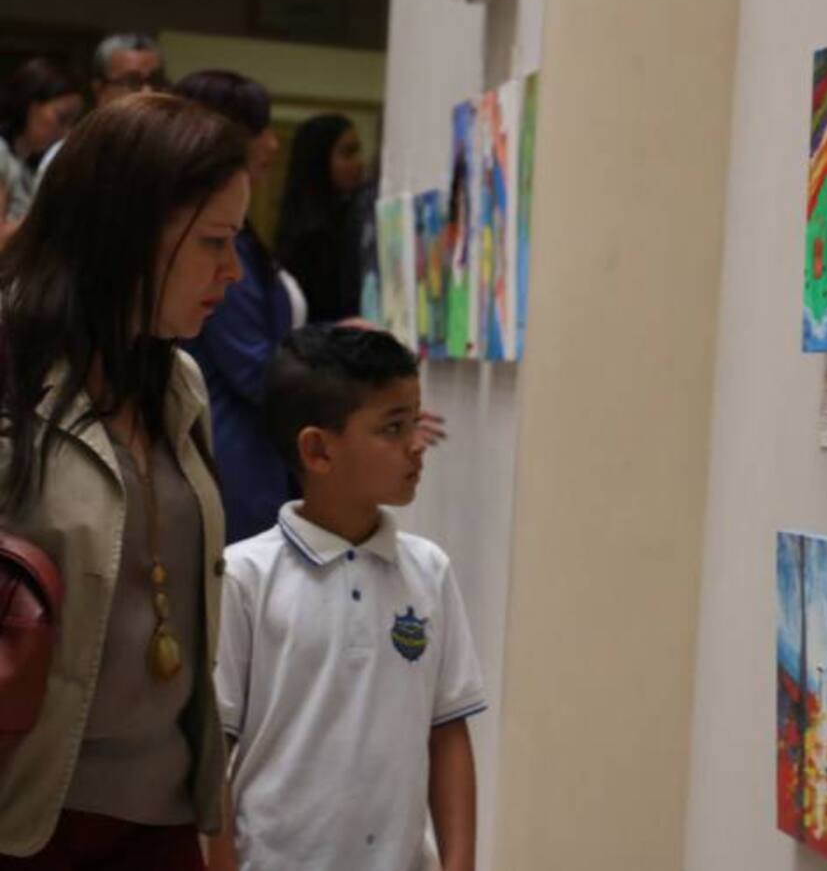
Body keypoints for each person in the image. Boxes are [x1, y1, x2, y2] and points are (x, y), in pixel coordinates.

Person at [0, 94, 249, 866]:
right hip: (29, 822)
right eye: (213, 242)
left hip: (163, 819)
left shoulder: (177, 384)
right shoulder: (12, 375)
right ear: (132, 234)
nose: (232, 271)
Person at [210, 325, 484, 871]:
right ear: (318, 450)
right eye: (392, 427)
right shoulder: (244, 577)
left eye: (415, 421)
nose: (416, 445)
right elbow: (213, 754)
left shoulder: (429, 572)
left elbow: (447, 732)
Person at [173, 69, 304, 544]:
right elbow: (252, 367)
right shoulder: (221, 250)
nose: (271, 144)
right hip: (232, 454)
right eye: (260, 130)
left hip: (247, 452)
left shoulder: (239, 238)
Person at [31, 32, 166, 196]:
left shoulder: (169, 153)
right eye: (132, 82)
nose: (148, 92)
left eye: (156, 80)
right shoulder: (71, 156)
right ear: (99, 88)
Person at [276, 113, 366, 323]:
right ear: (319, 160)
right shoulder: (308, 237)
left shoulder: (354, 214)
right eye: (348, 153)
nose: (359, 163)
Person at [0, 57, 83, 240]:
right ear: (31, 106)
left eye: (73, 122)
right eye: (61, 118)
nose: (67, 131)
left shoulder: (31, 164)